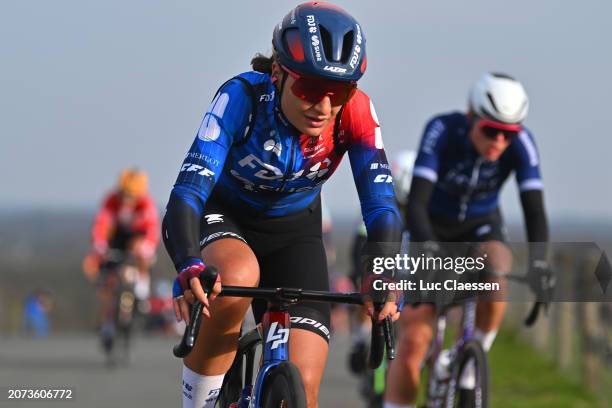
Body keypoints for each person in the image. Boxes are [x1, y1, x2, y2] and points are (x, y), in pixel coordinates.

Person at [161, 3, 402, 407]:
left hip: (294, 232)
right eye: (309, 88)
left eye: (339, 92)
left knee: (303, 390)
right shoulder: (242, 98)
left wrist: (381, 273)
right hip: (225, 216)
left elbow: (381, 207)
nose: (323, 106)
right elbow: (187, 193)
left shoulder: (356, 112)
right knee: (238, 274)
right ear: (278, 74)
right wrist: (188, 263)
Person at [384, 72, 553, 408]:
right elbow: (415, 203)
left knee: (499, 266)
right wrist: (430, 252)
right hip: (430, 226)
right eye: (491, 131)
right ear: (471, 116)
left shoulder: (522, 143)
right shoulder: (442, 130)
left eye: (508, 135)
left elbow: (534, 209)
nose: (499, 143)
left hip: (481, 227)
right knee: (414, 341)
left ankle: (473, 359)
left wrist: (539, 264)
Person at [83, 168, 160, 344]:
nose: (128, 199)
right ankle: (107, 323)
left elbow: (151, 230)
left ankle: (141, 290)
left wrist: (146, 249)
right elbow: (101, 224)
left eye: (132, 195)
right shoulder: (111, 200)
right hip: (117, 237)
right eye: (125, 193)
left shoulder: (146, 204)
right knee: (106, 280)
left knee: (140, 251)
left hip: (137, 238)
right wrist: (100, 246)